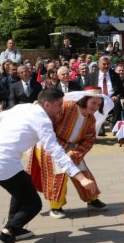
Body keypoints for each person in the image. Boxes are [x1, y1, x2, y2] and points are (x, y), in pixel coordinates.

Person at [0, 88, 97, 243]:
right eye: (59, 105)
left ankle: (16, 229)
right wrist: (80, 177)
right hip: (3, 164)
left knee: (23, 186)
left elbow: (0, 117)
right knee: (33, 204)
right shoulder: (43, 120)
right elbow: (56, 151)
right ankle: (7, 234)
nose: (61, 109)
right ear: (47, 104)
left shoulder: (23, 107)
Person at [26, 87, 113, 219]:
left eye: (99, 104)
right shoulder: (68, 106)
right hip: (51, 146)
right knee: (57, 175)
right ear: (85, 100)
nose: (96, 107)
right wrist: (61, 147)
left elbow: (89, 140)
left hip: (72, 149)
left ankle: (92, 199)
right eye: (93, 103)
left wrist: (76, 153)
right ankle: (56, 206)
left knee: (83, 172)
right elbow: (49, 124)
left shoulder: (91, 119)